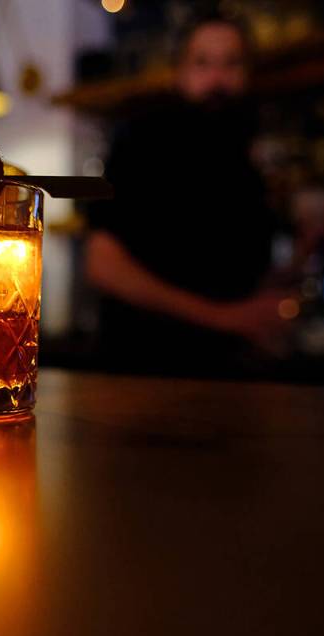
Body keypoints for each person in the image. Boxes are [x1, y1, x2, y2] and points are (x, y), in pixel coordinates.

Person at [86, 12, 291, 374]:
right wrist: (225, 318)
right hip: (143, 371)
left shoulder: (249, 160)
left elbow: (253, 277)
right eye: (202, 63)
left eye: (231, 63)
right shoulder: (144, 142)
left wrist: (312, 241)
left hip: (234, 375)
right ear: (178, 71)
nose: (217, 79)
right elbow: (103, 265)